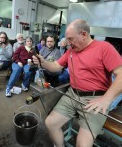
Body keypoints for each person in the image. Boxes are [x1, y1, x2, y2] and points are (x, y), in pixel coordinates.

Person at [33, 19, 122, 147]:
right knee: (50, 123)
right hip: (72, 94)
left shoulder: (104, 47)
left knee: (83, 144)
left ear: (84, 34)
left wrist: (106, 100)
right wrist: (43, 62)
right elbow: (56, 66)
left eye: (71, 39)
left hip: (94, 99)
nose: (68, 43)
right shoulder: (71, 51)